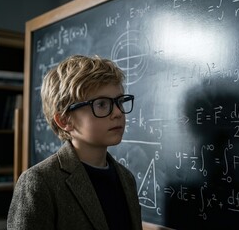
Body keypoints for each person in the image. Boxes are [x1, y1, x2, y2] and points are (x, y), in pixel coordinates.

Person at [7, 55, 143, 230]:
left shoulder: (126, 178)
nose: (118, 113)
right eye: (101, 104)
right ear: (64, 120)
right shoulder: (40, 182)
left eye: (120, 101)